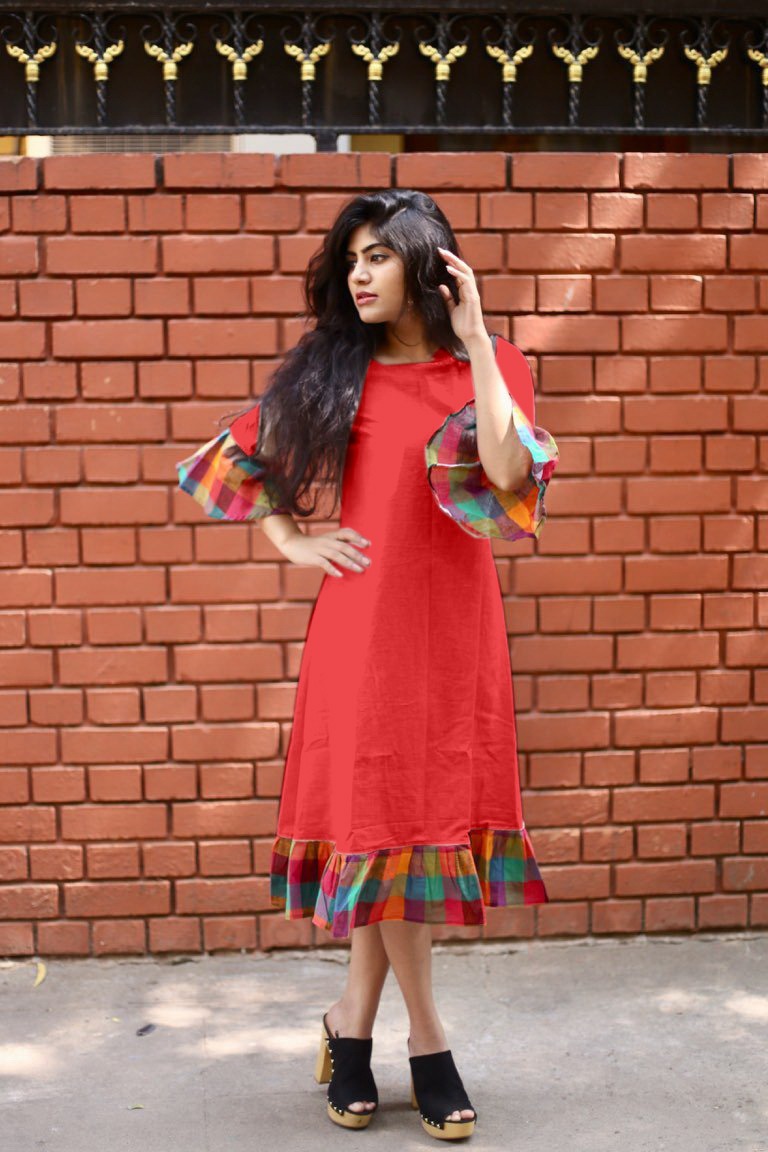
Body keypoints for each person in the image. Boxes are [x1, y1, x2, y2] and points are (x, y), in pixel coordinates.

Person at [175, 188, 558, 1141]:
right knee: (393, 825)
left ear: (428, 265)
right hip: (363, 634)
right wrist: (290, 540)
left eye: (379, 255)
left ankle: (350, 1026)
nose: (358, 274)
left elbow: (508, 475)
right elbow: (227, 463)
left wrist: (476, 342)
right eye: (351, 259)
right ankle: (428, 1042)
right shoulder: (334, 373)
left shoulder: (496, 365)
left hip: (458, 634)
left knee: (408, 832)